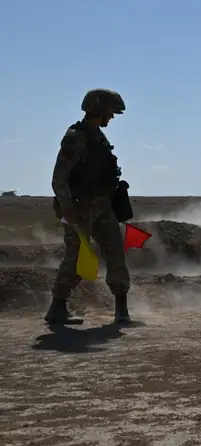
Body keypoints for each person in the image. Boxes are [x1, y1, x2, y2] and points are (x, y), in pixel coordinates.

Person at [45, 88, 133, 326]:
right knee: (76, 258)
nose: (111, 118)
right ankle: (57, 308)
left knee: (116, 254)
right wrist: (67, 208)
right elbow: (59, 178)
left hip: (103, 206)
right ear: (100, 110)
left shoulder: (98, 137)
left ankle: (121, 311)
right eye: (110, 113)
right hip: (80, 208)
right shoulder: (76, 137)